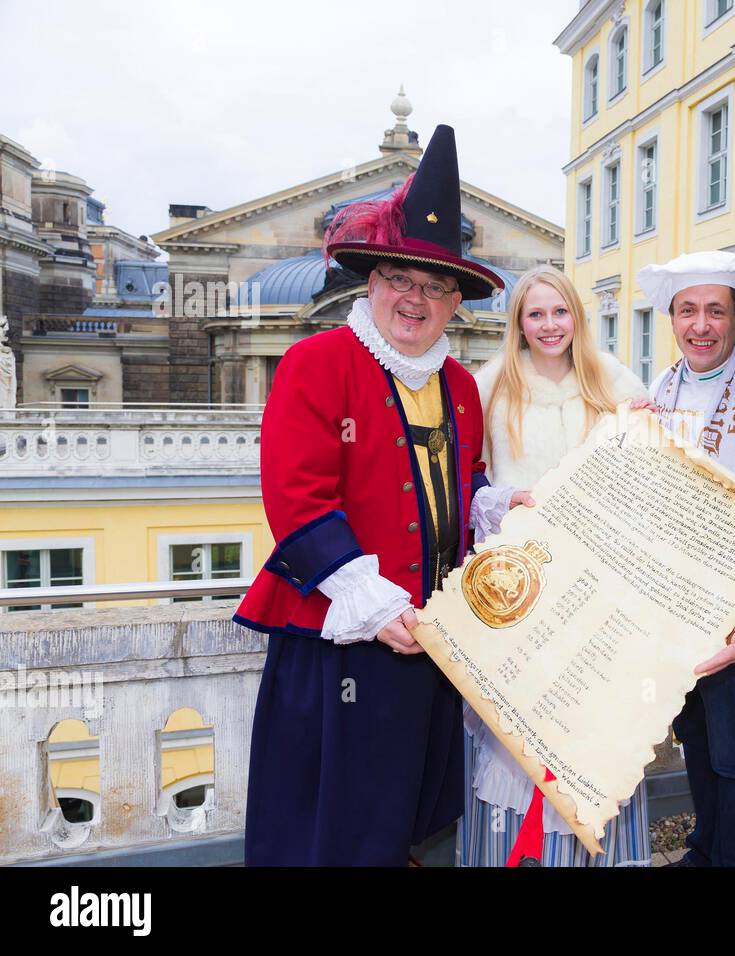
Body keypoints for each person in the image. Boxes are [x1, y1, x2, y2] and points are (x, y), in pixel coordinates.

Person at [234, 125, 526, 866]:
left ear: (456, 301)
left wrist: (495, 508)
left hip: (429, 637)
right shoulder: (316, 361)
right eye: (401, 279)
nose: (415, 298)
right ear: (372, 282)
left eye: (435, 286)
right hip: (343, 631)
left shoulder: (460, 383)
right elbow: (296, 502)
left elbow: (460, 483)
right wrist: (375, 602)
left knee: (410, 814)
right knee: (339, 820)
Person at [458, 264, 651, 866]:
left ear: (577, 317)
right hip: (520, 587)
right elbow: (467, 487)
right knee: (522, 736)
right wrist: (502, 505)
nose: (549, 325)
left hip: (598, 586)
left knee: (588, 731)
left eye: (559, 312)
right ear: (518, 322)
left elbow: (645, 482)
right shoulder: (490, 387)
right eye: (535, 313)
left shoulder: (614, 382)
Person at [634, 251, 735, 868]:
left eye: (715, 312)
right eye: (688, 310)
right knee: (695, 740)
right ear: (671, 319)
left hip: (734, 609)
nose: (701, 325)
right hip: (673, 606)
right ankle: (705, 851)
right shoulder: (660, 387)